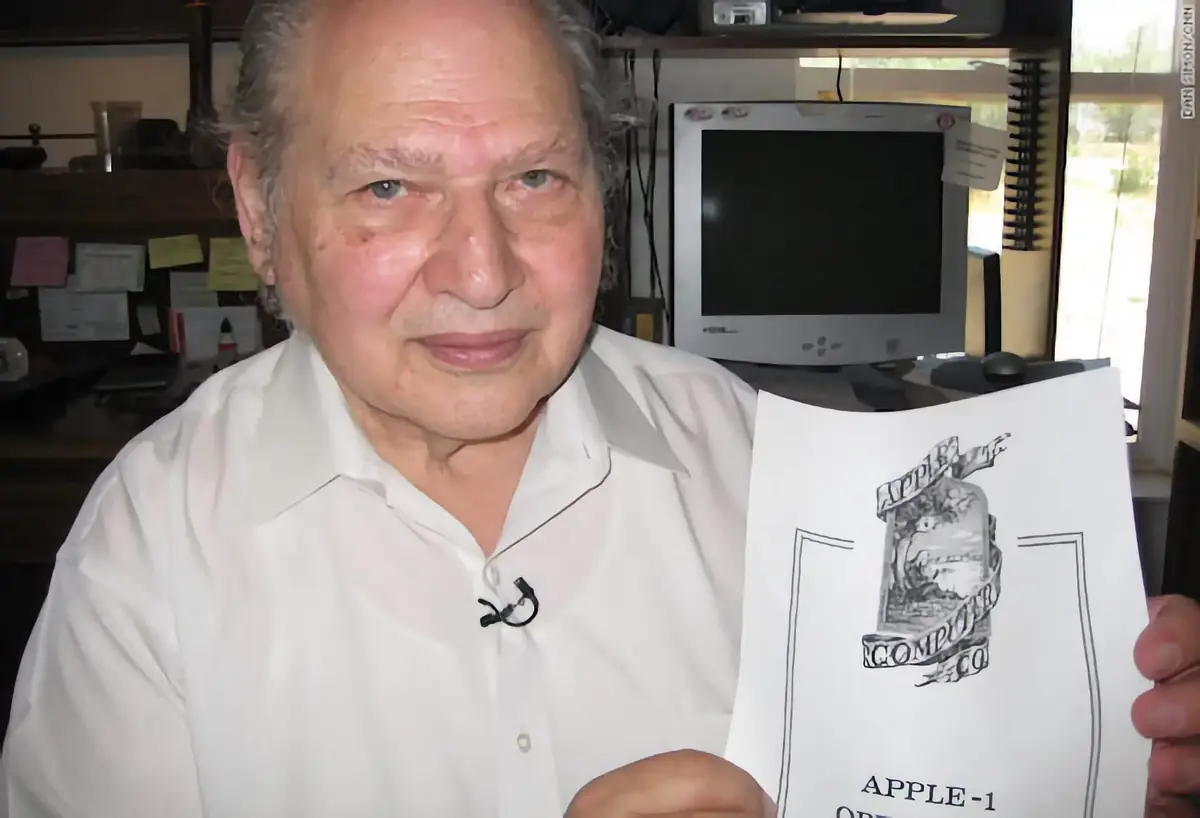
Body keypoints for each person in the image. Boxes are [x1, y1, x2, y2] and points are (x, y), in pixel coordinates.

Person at [1, 0, 1199, 815]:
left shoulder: (770, 466)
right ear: (260, 211)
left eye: (534, 176)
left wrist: (1078, 752)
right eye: (387, 184)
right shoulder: (151, 548)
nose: (482, 270)